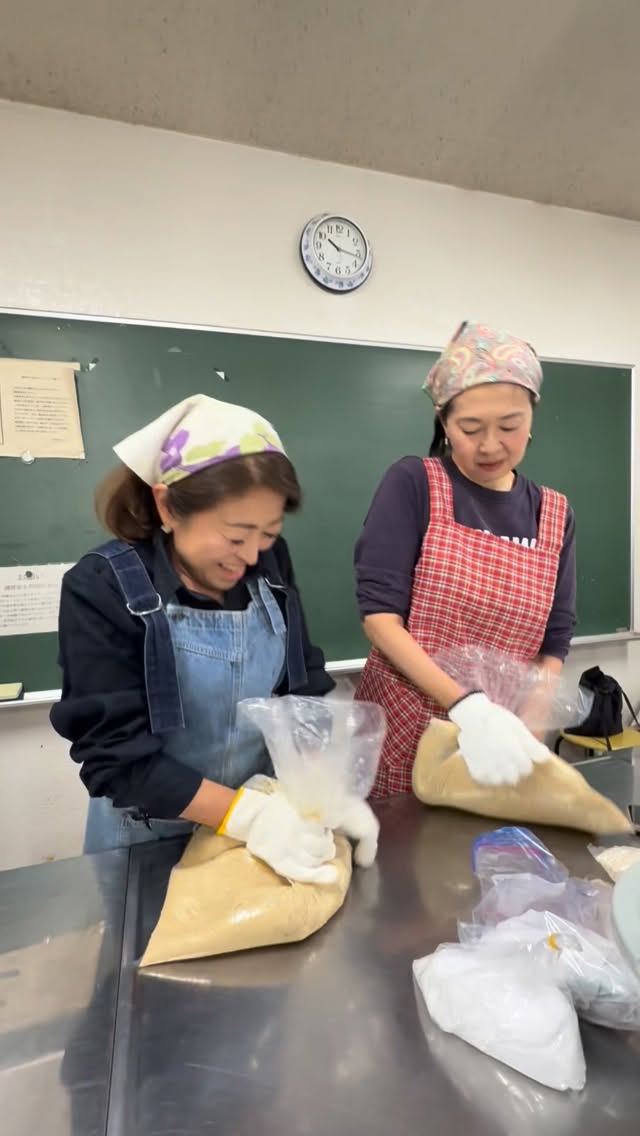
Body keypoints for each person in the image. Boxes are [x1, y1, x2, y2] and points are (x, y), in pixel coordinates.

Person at [51, 394, 378, 880]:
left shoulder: (269, 566)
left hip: (272, 829)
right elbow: (115, 757)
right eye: (236, 535)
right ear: (167, 505)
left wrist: (324, 793)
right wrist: (248, 817)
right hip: (149, 838)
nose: (251, 556)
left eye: (269, 533)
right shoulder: (102, 587)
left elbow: (301, 689)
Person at [354, 321, 577, 797]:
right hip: (402, 732)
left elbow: (555, 640)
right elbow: (380, 619)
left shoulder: (554, 514)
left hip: (498, 742)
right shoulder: (414, 484)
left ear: (533, 415)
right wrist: (466, 706)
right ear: (443, 421)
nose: (490, 445)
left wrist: (530, 729)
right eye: (470, 428)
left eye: (510, 426)